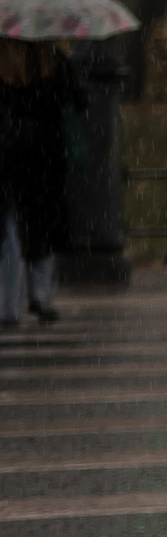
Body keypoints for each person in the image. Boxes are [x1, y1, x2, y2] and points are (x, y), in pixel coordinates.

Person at [0, 38, 77, 327]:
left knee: (11, 229)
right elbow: (75, 100)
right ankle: (40, 296)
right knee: (40, 227)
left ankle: (9, 304)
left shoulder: (4, 63)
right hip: (44, 159)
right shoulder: (53, 63)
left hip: (8, 158)